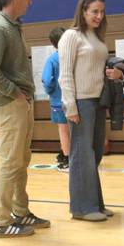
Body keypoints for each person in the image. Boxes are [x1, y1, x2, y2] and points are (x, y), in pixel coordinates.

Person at [0, 0, 49, 238]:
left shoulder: (12, 26)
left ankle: (20, 212)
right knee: (10, 163)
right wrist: (15, 93)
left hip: (19, 104)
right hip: (9, 105)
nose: (31, 1)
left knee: (21, 161)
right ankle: (1, 221)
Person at [59, 0, 121, 222]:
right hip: (81, 102)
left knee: (94, 154)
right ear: (83, 11)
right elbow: (64, 74)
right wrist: (70, 106)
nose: (99, 15)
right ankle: (81, 208)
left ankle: (94, 203)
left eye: (102, 11)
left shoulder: (96, 37)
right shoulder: (71, 36)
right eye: (94, 11)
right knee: (82, 155)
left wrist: (116, 72)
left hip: (98, 101)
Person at [42, 27, 69, 172]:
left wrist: (50, 90)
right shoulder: (74, 56)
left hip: (58, 101)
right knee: (74, 130)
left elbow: (47, 81)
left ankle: (67, 159)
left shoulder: (52, 59)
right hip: (75, 100)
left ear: (53, 43)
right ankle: (69, 154)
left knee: (63, 130)